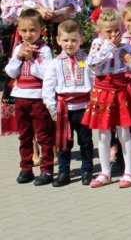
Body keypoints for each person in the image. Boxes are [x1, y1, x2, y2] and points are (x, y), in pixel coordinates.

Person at [82, 8, 131, 188]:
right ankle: (105, 171)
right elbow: (92, 64)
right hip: (103, 91)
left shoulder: (126, 46)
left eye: (117, 29)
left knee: (124, 132)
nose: (114, 34)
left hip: (120, 90)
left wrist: (130, 60)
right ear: (99, 31)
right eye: (109, 31)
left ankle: (129, 171)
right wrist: (109, 46)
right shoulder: (97, 44)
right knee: (103, 134)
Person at [42, 19, 94, 187]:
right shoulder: (54, 64)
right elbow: (48, 86)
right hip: (63, 108)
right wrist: (51, 106)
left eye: (73, 40)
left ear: (81, 39)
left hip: (84, 107)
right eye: (65, 40)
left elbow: (93, 82)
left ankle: (87, 170)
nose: (69, 44)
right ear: (58, 40)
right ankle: (63, 172)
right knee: (64, 142)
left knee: (86, 141)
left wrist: (94, 103)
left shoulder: (87, 61)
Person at [5, 9, 54, 185]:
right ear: (18, 30)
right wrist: (19, 57)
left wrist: (32, 58)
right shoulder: (19, 48)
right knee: (24, 135)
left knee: (43, 135)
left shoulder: (45, 50)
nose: (28, 34)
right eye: (24, 30)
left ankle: (47, 170)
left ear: (41, 29)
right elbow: (10, 71)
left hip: (38, 98)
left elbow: (46, 74)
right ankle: (26, 168)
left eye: (32, 30)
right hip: (21, 97)